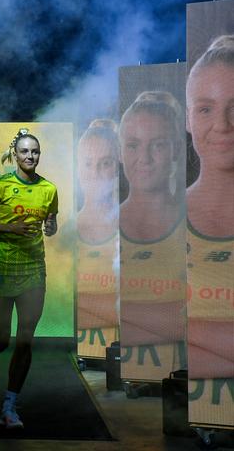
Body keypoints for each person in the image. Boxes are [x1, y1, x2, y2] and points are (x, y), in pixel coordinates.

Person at [0, 128, 58, 429]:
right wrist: (10, 229)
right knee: (1, 341)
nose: (30, 156)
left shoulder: (49, 189)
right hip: (0, 268)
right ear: (16, 155)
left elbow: (52, 221)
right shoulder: (0, 185)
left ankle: (9, 407)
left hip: (33, 270)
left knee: (25, 341)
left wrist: (50, 227)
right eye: (25, 152)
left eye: (35, 152)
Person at [118, 91, 186, 380]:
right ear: (121, 152)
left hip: (184, 377)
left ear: (177, 149)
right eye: (133, 145)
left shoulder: (197, 225)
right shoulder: (104, 227)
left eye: (157, 145)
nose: (143, 158)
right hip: (130, 376)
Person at [185, 35, 234, 382]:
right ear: (188, 118)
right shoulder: (166, 217)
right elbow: (126, 316)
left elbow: (158, 324)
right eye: (206, 108)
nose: (223, 125)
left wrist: (187, 330)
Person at [75, 120, 119, 356]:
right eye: (88, 164)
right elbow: (50, 310)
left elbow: (139, 310)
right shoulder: (63, 231)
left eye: (105, 163)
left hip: (122, 368)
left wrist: (76, 303)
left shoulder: (135, 229)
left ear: (118, 167)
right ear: (78, 168)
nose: (96, 173)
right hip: (71, 362)